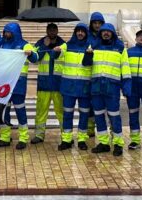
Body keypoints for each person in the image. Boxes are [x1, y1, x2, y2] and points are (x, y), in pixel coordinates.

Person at [84, 22, 130, 157]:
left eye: (108, 31)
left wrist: (126, 86)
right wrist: (87, 55)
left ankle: (118, 144)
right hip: (97, 87)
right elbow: (86, 64)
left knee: (114, 116)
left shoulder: (120, 48)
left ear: (112, 33)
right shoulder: (94, 46)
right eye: (103, 31)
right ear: (100, 33)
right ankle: (104, 143)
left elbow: (125, 68)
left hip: (112, 87)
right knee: (98, 116)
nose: (106, 33)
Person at [0, 23, 38, 149]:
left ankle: (23, 138)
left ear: (15, 32)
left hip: (18, 85)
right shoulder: (1, 43)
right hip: (3, 84)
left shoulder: (25, 45)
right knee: (3, 112)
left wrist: (31, 54)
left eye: (8, 32)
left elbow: (36, 58)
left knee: (20, 111)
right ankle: (5, 138)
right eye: (5, 32)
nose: (6, 34)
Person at [52, 23, 92, 151]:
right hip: (68, 86)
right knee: (67, 114)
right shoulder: (67, 45)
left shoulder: (91, 47)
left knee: (84, 114)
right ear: (75, 32)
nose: (80, 33)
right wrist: (56, 51)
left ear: (86, 33)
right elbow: (57, 54)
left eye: (82, 31)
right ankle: (66, 139)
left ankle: (81, 139)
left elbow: (90, 64)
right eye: (78, 31)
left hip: (84, 86)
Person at [32, 23, 64, 144]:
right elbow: (35, 59)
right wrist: (44, 46)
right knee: (41, 111)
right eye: (49, 29)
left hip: (58, 84)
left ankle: (65, 136)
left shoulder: (63, 44)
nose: (51, 32)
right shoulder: (40, 43)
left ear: (57, 30)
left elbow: (59, 57)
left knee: (61, 112)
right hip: (44, 84)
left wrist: (52, 48)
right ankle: (39, 135)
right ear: (46, 31)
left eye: (54, 29)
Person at [85, 12, 106, 138]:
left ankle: (103, 129)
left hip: (102, 74)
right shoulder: (87, 37)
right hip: (89, 74)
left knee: (102, 104)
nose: (97, 25)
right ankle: (90, 128)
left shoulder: (107, 36)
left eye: (99, 23)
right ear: (91, 24)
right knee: (89, 104)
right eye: (95, 23)